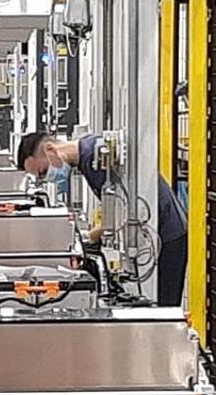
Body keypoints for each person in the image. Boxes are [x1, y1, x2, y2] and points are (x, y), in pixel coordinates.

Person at [17, 131, 189, 306]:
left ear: (50, 149)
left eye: (43, 171)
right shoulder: (88, 153)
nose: (48, 178)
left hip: (167, 232)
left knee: (165, 310)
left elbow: (120, 215)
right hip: (156, 231)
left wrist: (85, 238)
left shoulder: (96, 158)